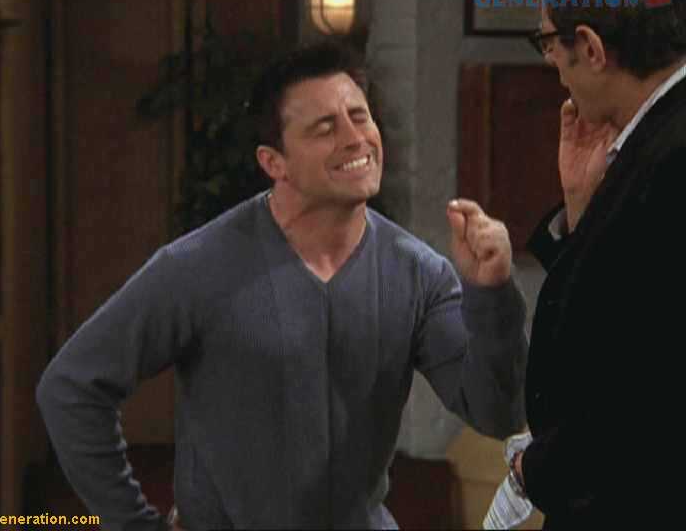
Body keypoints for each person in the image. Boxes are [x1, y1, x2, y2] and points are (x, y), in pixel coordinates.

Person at [37, 42, 528, 530]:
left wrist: (491, 293)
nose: (355, 139)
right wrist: (134, 524)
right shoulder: (198, 267)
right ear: (274, 162)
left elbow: (497, 414)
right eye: (325, 128)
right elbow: (71, 387)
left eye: (360, 117)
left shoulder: (418, 273)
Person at [511, 0, 686, 528]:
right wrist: (583, 211)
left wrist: (537, 470)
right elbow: (625, 309)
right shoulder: (652, 144)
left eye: (547, 43)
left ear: (589, 47)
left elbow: (649, 388)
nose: (550, 65)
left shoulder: (672, 157)